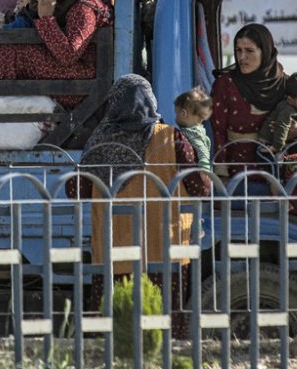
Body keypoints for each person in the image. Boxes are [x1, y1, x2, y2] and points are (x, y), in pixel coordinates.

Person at [75, 74, 211, 338]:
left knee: (113, 330)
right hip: (165, 251)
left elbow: (75, 190)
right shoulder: (173, 139)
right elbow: (202, 188)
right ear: (150, 102)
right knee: (165, 327)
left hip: (113, 252)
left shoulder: (98, 143)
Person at [210, 23, 288, 174]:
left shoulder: (284, 83)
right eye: (238, 50)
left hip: (277, 172)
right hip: (238, 174)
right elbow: (217, 132)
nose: (242, 57)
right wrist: (221, 175)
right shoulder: (225, 84)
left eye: (249, 51)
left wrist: (295, 130)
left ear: (265, 52)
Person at [259, 70, 297, 153]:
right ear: (290, 100)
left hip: (281, 142)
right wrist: (277, 147)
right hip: (268, 145)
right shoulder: (288, 110)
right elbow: (281, 126)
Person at [174, 87, 213, 170]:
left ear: (183, 114)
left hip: (196, 174)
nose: (175, 117)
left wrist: (204, 167)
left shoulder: (192, 133)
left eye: (176, 113)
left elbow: (202, 150)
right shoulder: (200, 131)